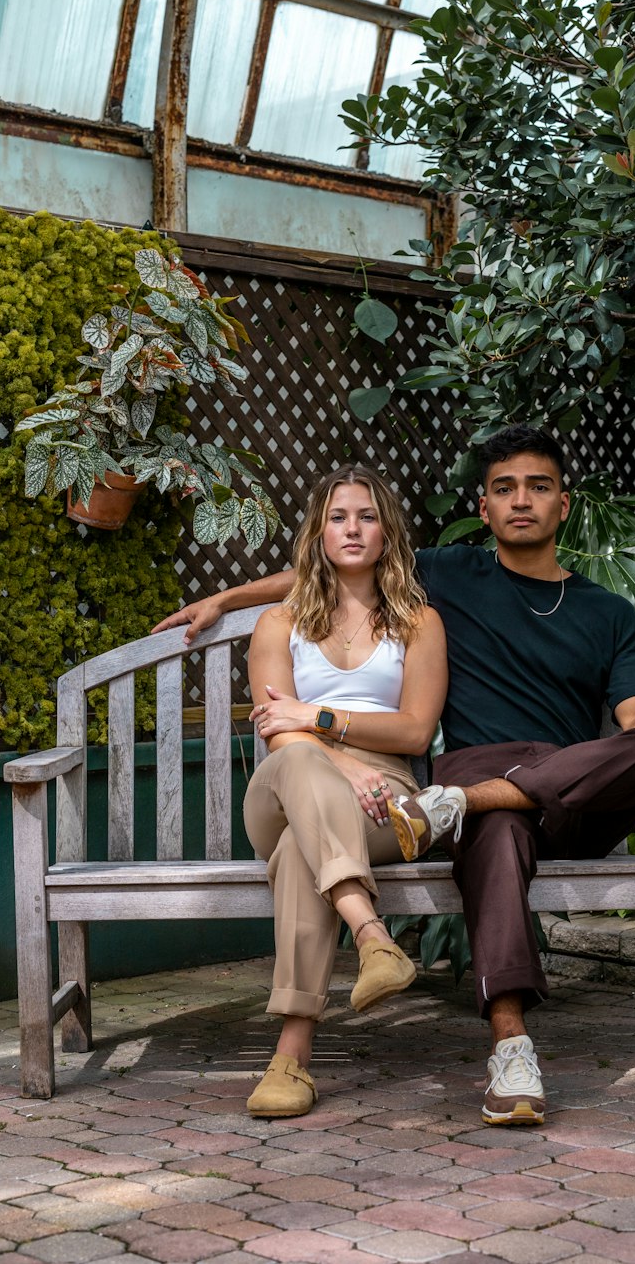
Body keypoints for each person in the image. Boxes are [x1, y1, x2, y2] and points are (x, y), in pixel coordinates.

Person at [153, 426, 635, 1127]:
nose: (521, 500)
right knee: (484, 827)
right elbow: (338, 564)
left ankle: (454, 806)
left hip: (546, 789)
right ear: (485, 506)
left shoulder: (607, 612)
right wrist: (227, 598)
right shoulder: (452, 577)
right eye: (504, 488)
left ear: (564, 504)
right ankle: (508, 1044)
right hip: (460, 780)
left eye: (538, 486)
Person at [231, 464, 446, 1118]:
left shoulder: (418, 622)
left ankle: (291, 1057)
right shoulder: (279, 623)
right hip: (290, 779)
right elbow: (277, 731)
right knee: (303, 775)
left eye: (367, 515)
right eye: (338, 516)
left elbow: (414, 727)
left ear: (388, 532)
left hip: (389, 797)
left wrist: (322, 717)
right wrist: (341, 762)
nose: (352, 528)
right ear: (318, 532)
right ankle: (372, 935)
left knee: (302, 849)